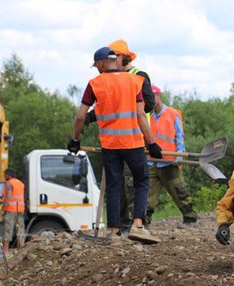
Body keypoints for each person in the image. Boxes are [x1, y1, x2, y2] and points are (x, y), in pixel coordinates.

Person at [68, 46, 163, 244]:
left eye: (96, 66)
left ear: (102, 63)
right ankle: (138, 225)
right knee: (142, 181)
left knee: (114, 185)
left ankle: (114, 233)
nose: (96, 69)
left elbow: (80, 117)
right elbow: (140, 115)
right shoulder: (133, 81)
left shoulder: (95, 84)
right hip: (133, 143)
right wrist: (151, 143)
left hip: (110, 145)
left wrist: (75, 139)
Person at [85, 39, 154, 230]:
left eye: (116, 56)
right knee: (119, 185)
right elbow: (106, 108)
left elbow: (147, 105)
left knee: (134, 185)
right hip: (120, 139)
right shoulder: (118, 78)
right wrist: (90, 118)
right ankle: (122, 225)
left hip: (137, 136)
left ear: (123, 57)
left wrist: (151, 141)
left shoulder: (138, 76)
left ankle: (138, 225)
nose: (113, 60)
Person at [145, 85, 198, 226]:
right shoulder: (146, 115)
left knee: (179, 190)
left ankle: (190, 218)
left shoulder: (172, 113)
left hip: (169, 161)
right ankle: (144, 223)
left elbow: (179, 135)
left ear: (158, 96)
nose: (149, 100)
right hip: (151, 161)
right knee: (147, 194)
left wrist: (179, 154)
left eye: (152, 97)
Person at [1, 168, 26, 256]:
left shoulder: (9, 183)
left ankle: (6, 251)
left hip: (11, 210)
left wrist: (2, 210)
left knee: (8, 230)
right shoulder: (20, 183)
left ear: (9, 175)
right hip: (20, 209)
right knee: (20, 230)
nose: (4, 176)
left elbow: (8, 198)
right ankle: (21, 250)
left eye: (5, 174)